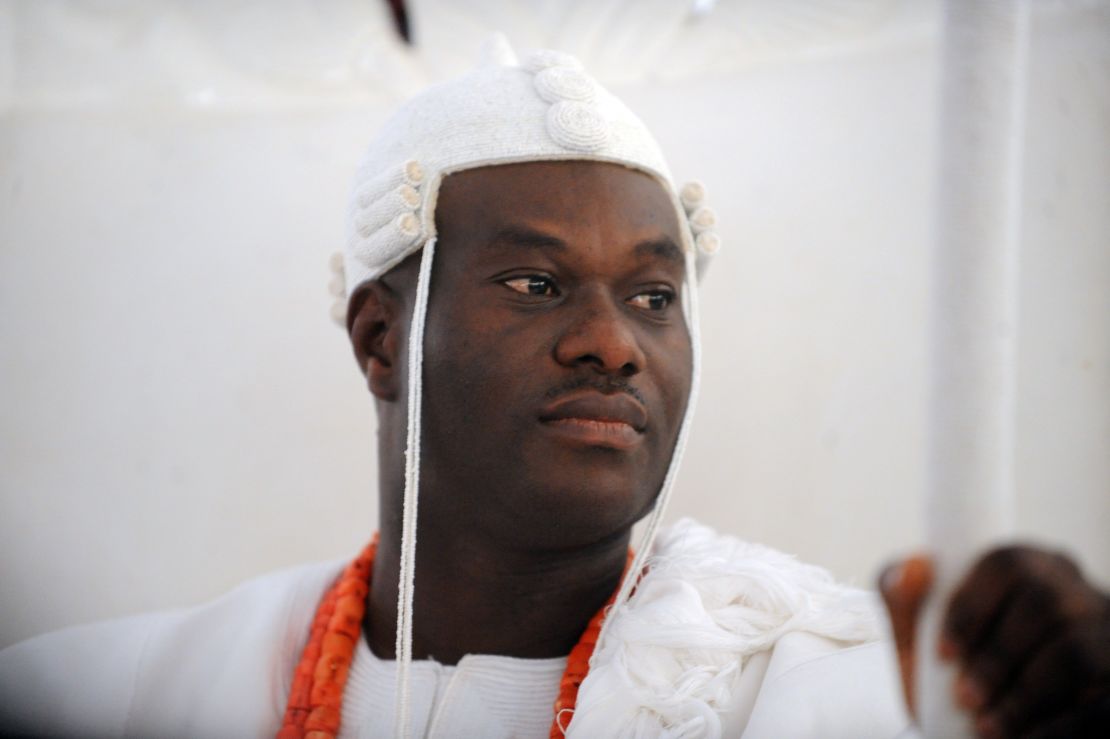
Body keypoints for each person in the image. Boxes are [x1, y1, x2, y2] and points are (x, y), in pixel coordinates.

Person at [1, 38, 1107, 739]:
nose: (612, 344)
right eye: (536, 282)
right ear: (380, 340)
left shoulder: (842, 689)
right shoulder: (133, 688)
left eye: (655, 296)